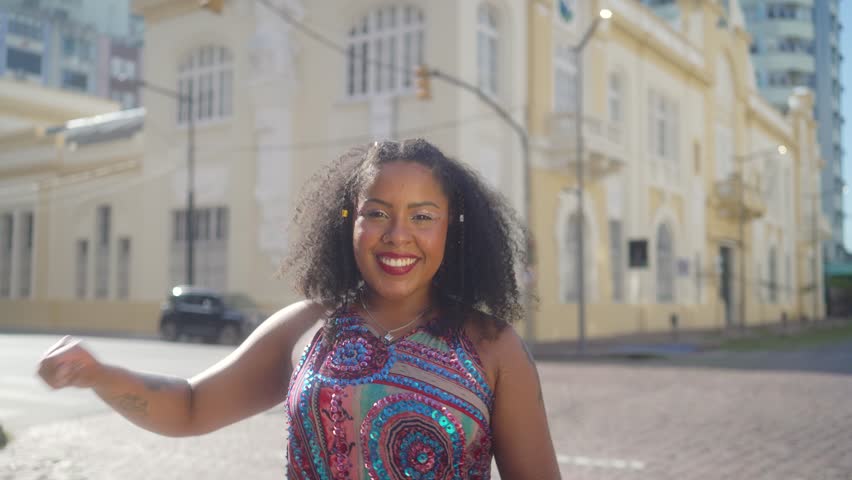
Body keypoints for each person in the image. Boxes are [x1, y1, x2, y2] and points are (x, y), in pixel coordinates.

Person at [38, 139, 561, 479]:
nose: (397, 235)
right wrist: (100, 376)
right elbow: (192, 407)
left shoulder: (493, 348)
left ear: (453, 227)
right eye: (376, 214)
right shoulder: (309, 328)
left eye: (422, 216)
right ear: (348, 223)